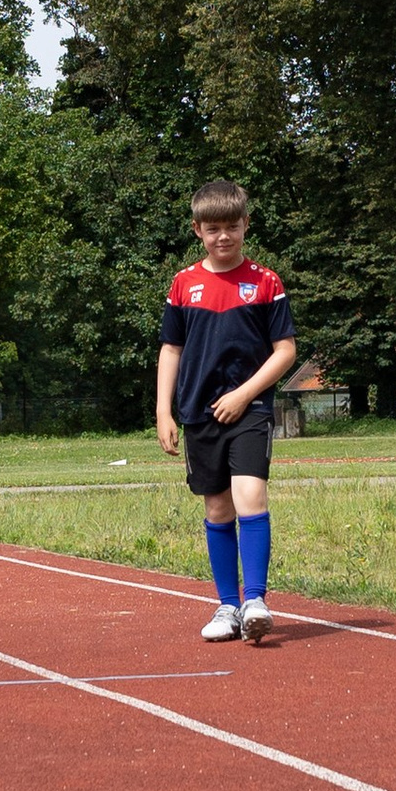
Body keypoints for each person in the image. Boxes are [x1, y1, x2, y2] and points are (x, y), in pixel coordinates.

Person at [156, 183, 296, 644]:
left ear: (245, 225)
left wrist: (244, 394)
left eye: (231, 227)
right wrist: (164, 410)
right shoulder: (183, 285)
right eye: (213, 229)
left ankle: (255, 599)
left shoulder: (266, 283)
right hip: (198, 411)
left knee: (250, 496)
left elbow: (284, 352)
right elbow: (171, 349)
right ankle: (227, 606)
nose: (223, 237)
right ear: (198, 230)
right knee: (218, 507)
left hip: (250, 409)